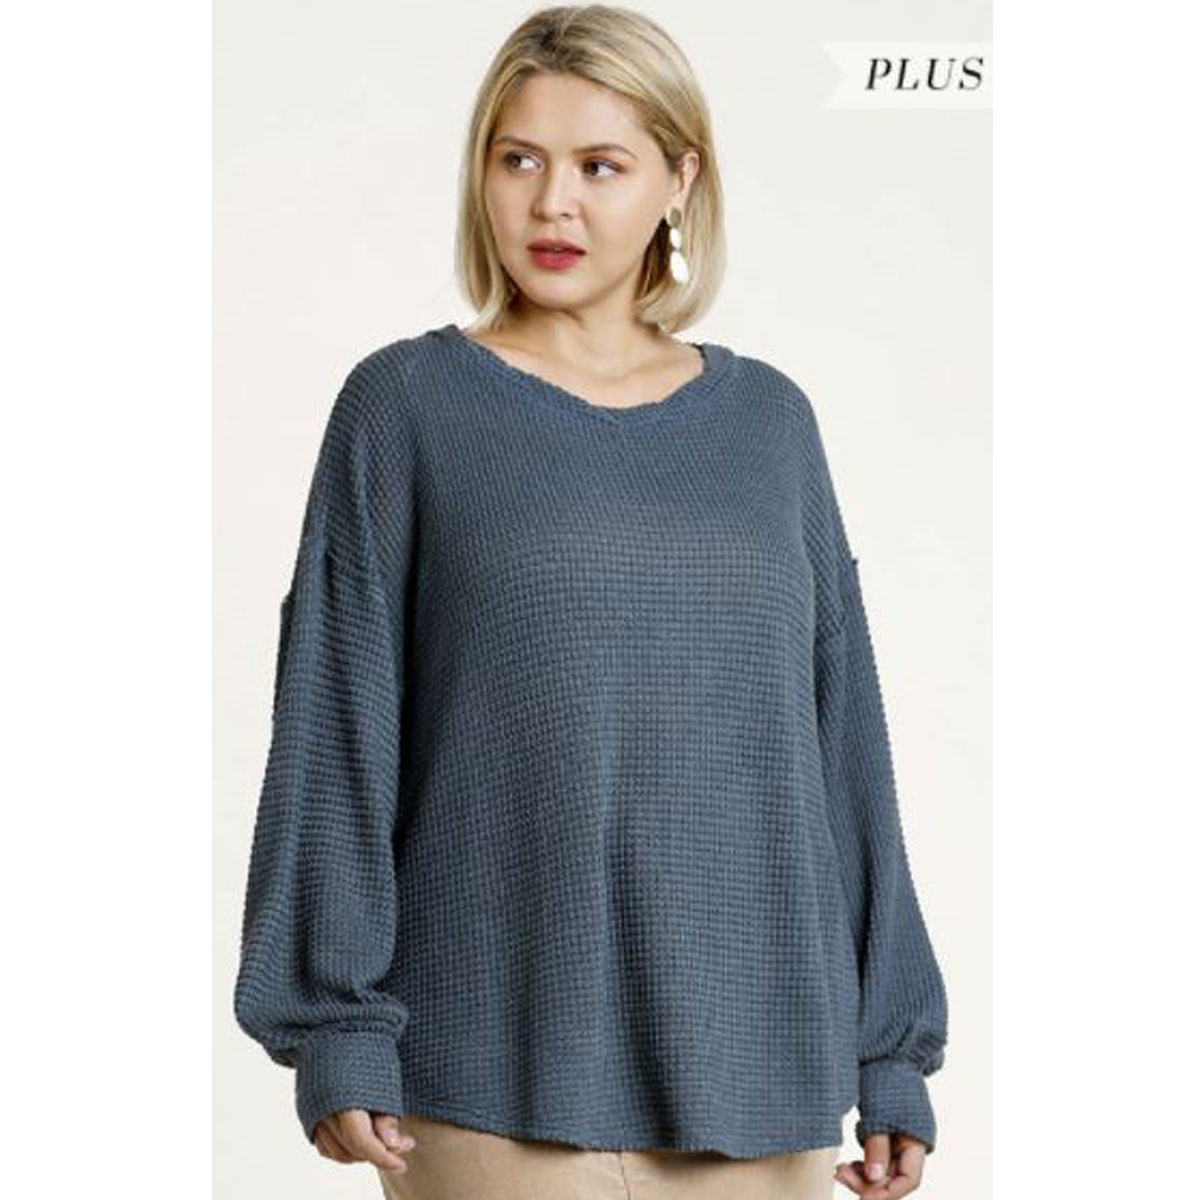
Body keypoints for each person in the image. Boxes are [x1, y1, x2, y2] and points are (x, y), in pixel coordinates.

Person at [232, 6, 949, 1199]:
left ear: (681, 179)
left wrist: (891, 1051)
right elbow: (336, 733)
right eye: (518, 160)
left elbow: (842, 751)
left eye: (599, 166)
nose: (551, 204)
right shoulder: (405, 407)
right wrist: (337, 1025)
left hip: (759, 1089)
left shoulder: (772, 427)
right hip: (486, 1084)